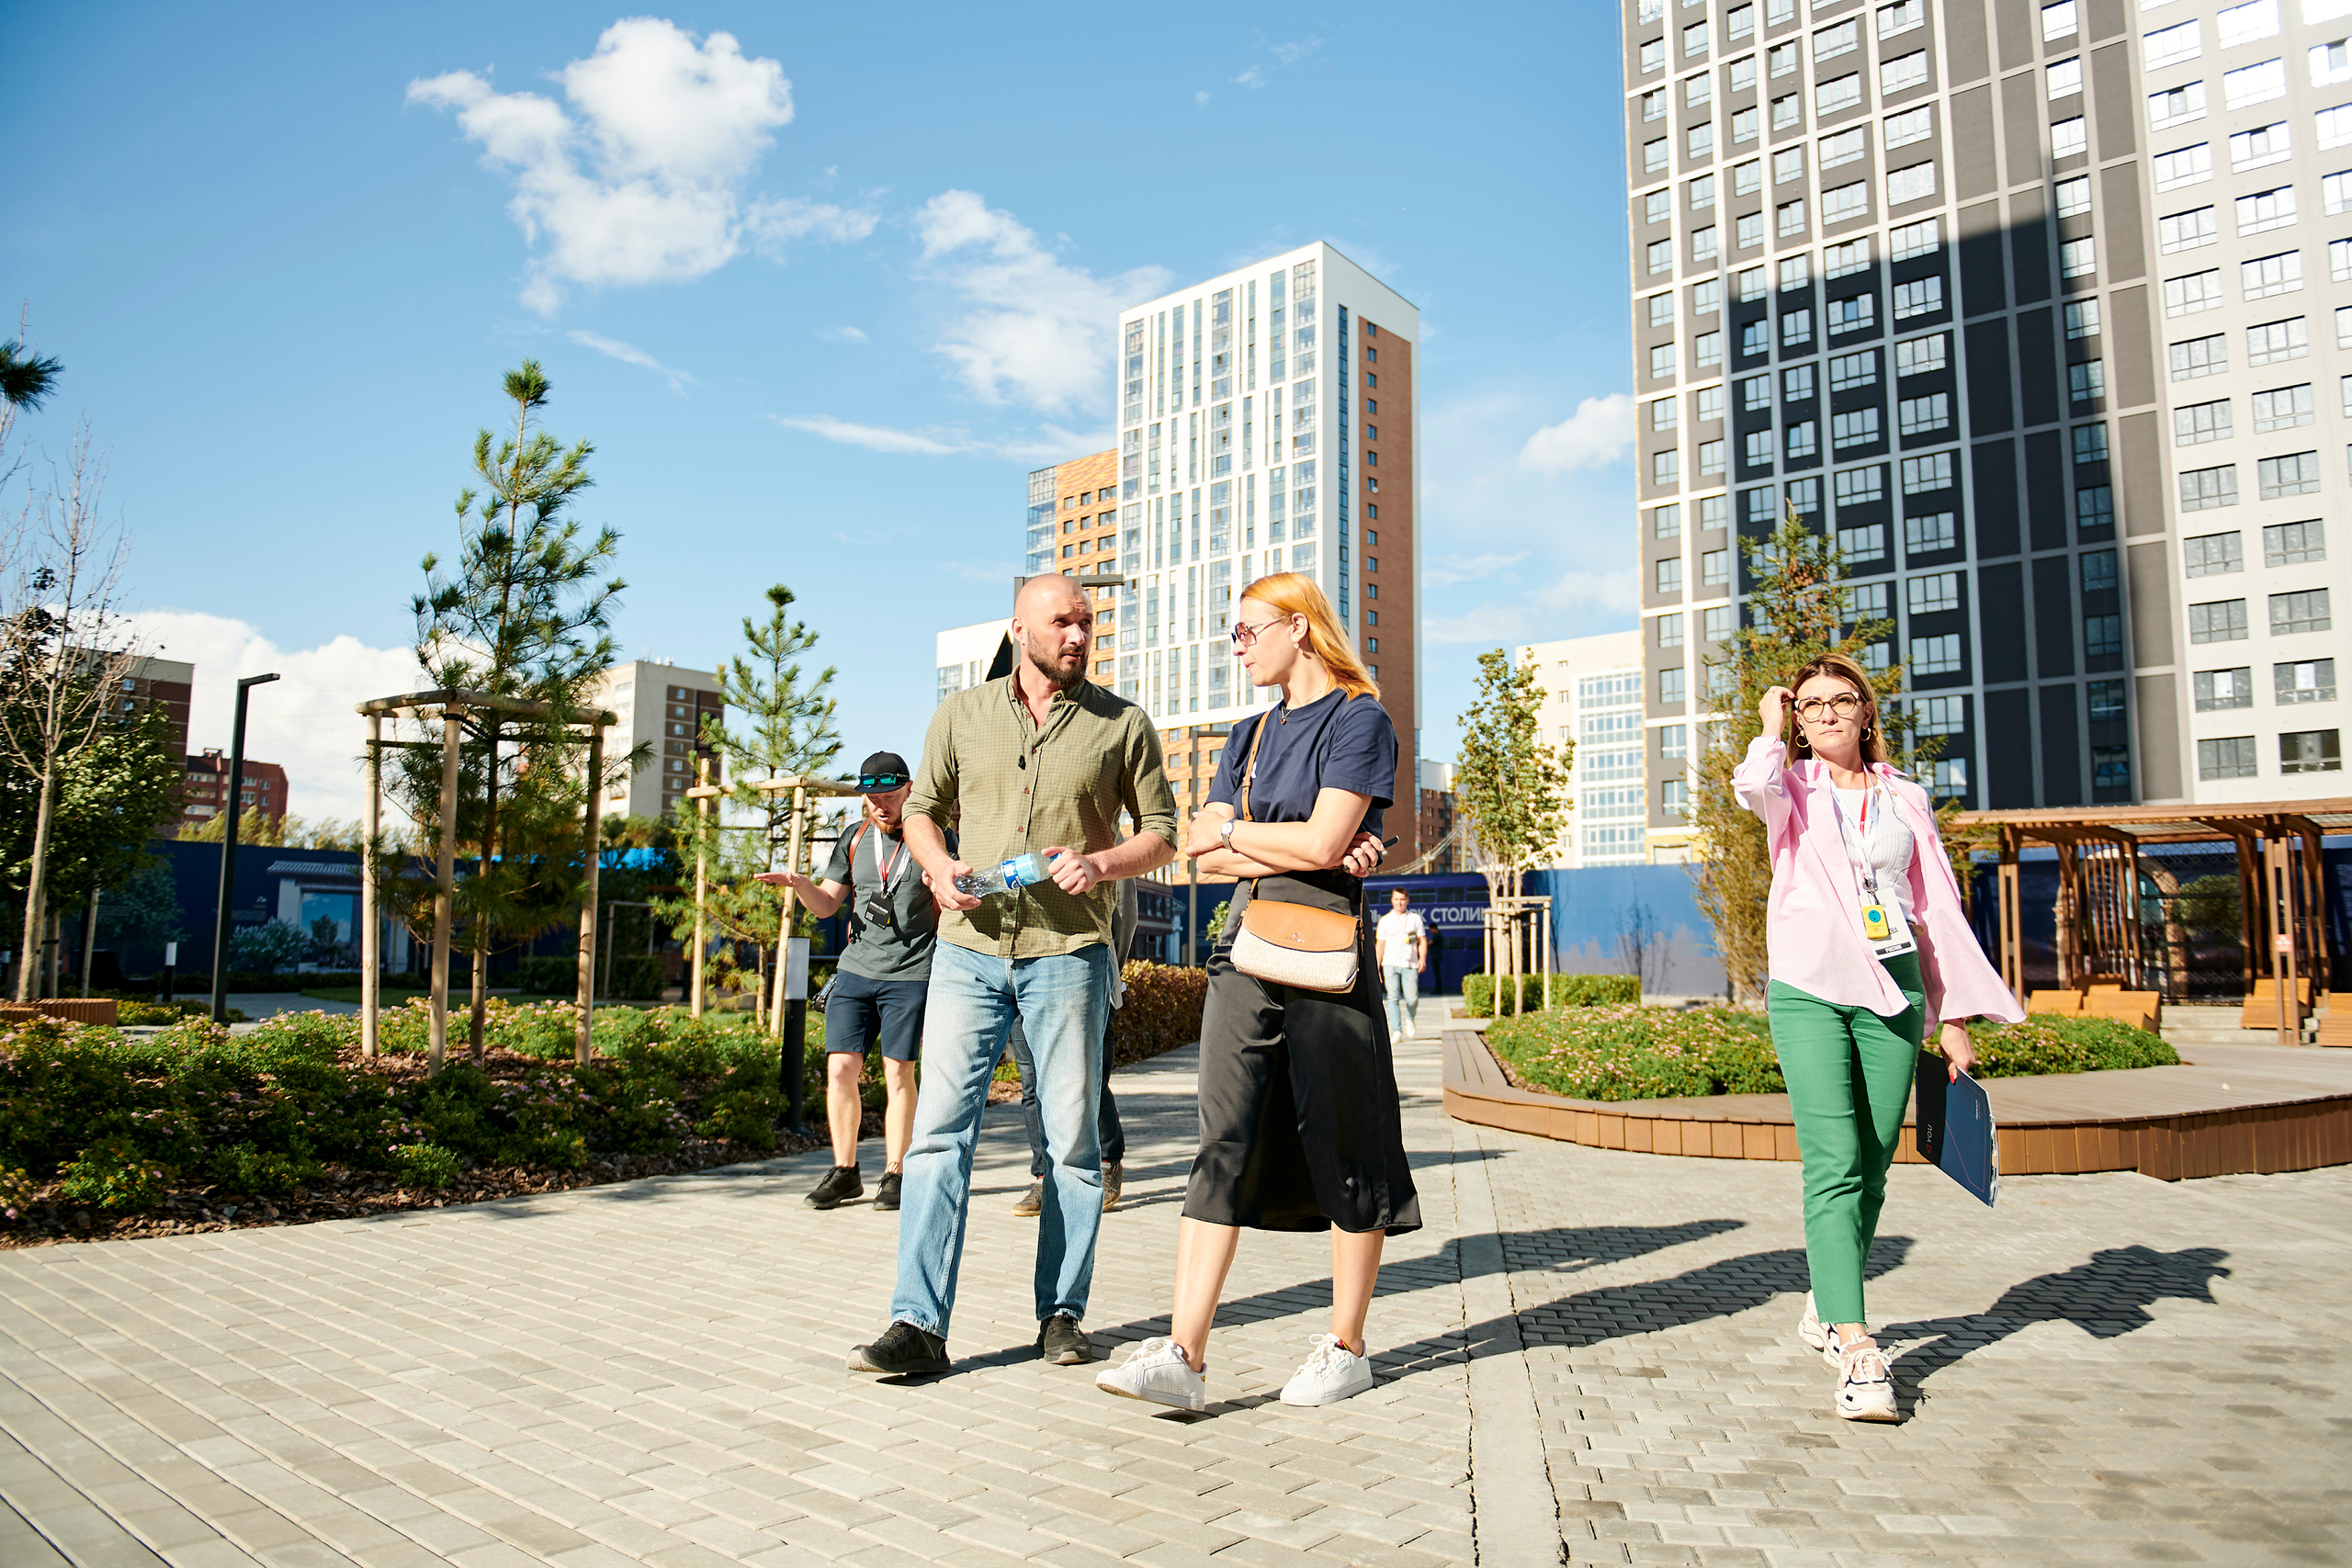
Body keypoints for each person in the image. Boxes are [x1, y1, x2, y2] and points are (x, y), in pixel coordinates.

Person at [1094, 571, 1411, 1414]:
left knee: (1346, 1140)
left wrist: (1252, 832)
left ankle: (1346, 1346)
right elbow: (1205, 849)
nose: (1236, 647)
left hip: (1328, 948)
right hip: (1244, 943)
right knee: (1221, 1138)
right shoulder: (1248, 733)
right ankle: (1183, 1353)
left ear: (1298, 627)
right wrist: (1296, 843)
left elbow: (1318, 841)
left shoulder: (1359, 718)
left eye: (1246, 631)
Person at [846, 574, 1178, 1378]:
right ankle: (917, 1324)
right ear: (1020, 629)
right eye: (1062, 621)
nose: (1079, 635)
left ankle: (1061, 1314)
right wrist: (938, 866)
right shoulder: (960, 715)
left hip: (1069, 954)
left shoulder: (1122, 723)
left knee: (1070, 1143)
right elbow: (921, 810)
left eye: (1087, 623)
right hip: (967, 950)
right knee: (938, 1136)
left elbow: (1165, 831)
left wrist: (1102, 863)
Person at [1734, 652, 2022, 1424]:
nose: (1826, 712)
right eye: (1811, 704)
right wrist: (1769, 725)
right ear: (1799, 721)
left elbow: (1937, 909)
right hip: (1810, 988)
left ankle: (1827, 1298)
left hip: (1896, 986)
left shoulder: (1905, 797)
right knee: (1833, 1160)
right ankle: (1857, 1344)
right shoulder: (1791, 787)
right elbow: (1753, 785)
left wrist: (1953, 1016)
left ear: (1866, 712)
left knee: (1874, 1158)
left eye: (1841, 699)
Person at [759, 752, 945, 1213]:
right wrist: (799, 883)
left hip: (910, 973)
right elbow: (827, 904)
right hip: (855, 971)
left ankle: (896, 1173)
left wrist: (940, 885)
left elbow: (955, 900)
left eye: (889, 795)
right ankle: (845, 1172)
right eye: (870, 797)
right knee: (840, 1068)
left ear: (909, 789)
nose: (880, 805)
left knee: (898, 1072)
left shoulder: (935, 837)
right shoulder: (855, 838)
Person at [1011, 876, 1139, 1215]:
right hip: (1021, 971)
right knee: (1032, 1084)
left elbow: (1124, 916)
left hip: (1085, 972)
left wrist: (1108, 971)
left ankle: (1108, 1161)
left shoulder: (1103, 844)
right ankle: (1044, 1175)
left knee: (1086, 1079)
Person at [1374, 887, 1430, 1038]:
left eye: (1402, 899)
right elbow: (1380, 945)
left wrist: (1422, 958)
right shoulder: (1385, 920)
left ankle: (1410, 1018)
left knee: (1412, 998)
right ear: (1392, 900)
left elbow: (1422, 941)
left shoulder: (1415, 918)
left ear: (1407, 901)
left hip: (1410, 964)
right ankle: (1397, 1030)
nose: (1399, 902)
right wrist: (1376, 968)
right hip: (1390, 963)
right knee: (1392, 997)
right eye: (1396, 899)